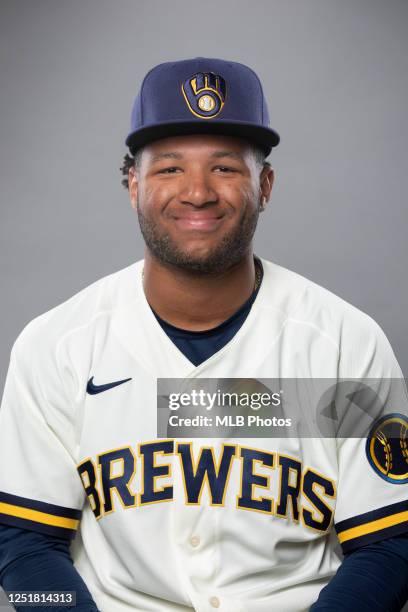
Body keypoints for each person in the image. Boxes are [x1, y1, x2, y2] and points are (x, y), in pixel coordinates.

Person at [0, 57, 407, 612]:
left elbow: (391, 545)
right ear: (132, 184)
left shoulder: (342, 343)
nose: (197, 192)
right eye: (169, 168)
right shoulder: (57, 346)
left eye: (224, 168)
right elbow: (21, 543)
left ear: (264, 185)